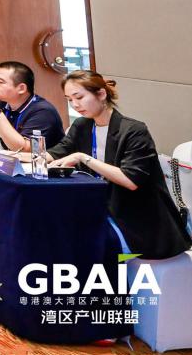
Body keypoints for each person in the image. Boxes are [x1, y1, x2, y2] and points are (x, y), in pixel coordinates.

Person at [46, 70, 192, 260]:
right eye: (69, 100)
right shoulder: (82, 126)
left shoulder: (134, 130)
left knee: (86, 245)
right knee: (57, 233)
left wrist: (83, 157)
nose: (75, 105)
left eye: (79, 97)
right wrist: (17, 156)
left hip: (138, 220)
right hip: (100, 209)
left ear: (101, 94)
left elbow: (130, 180)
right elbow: (56, 152)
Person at [0, 60, 65, 151]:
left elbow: (25, 150)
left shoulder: (43, 111)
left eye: (0, 82)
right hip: (12, 159)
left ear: (21, 88)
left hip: (43, 160)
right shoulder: (2, 104)